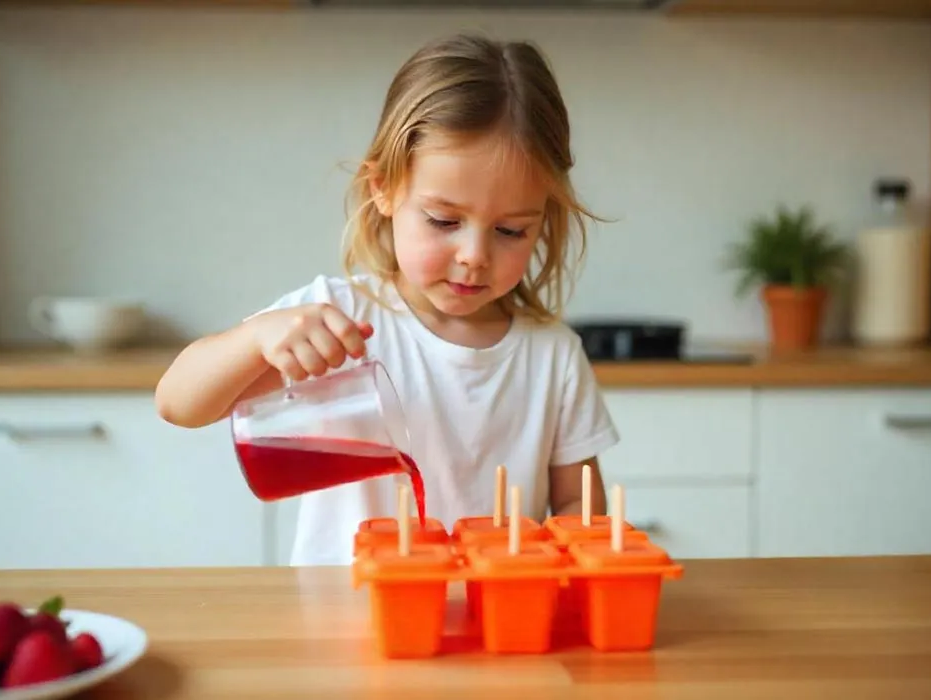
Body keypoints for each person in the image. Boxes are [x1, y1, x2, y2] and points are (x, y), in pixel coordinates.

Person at [154, 33, 620, 566]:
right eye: (444, 221)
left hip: (501, 630)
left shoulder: (552, 355)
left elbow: (577, 501)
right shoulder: (338, 320)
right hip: (346, 624)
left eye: (511, 231)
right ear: (384, 188)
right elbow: (178, 404)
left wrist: (568, 545)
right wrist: (257, 337)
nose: (474, 255)